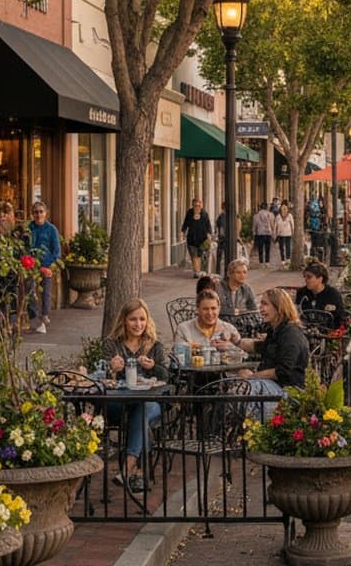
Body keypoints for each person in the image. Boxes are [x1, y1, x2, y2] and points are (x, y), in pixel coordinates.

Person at [102, 299, 169, 495]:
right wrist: (111, 369)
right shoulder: (111, 345)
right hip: (119, 404)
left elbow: (166, 377)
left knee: (143, 408)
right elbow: (102, 379)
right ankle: (138, 472)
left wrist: (153, 367)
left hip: (149, 403)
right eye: (133, 319)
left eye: (142, 319)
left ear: (148, 321)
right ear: (124, 321)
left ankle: (128, 468)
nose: (138, 324)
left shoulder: (154, 346)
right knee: (141, 414)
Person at [237, 288, 310, 397]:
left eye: (265, 304)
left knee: (246, 388)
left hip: (288, 392)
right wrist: (234, 342)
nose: (260, 309)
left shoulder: (290, 334)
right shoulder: (275, 330)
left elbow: (283, 371)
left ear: (279, 308)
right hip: (272, 387)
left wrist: (252, 376)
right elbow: (261, 347)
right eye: (261, 304)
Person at [27, 201, 61, 333]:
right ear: (32, 214)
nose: (38, 214)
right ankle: (33, 318)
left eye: (41, 212)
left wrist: (47, 266)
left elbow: (56, 251)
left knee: (45, 292)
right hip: (30, 265)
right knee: (30, 291)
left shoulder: (51, 229)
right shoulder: (29, 228)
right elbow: (24, 247)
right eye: (36, 212)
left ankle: (44, 316)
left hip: (46, 265)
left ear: (46, 213)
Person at [175, 289, 242, 350]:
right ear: (198, 309)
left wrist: (231, 347)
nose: (210, 313)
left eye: (213, 308)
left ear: (219, 309)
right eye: (205, 309)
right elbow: (178, 355)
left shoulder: (229, 329)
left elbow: (243, 355)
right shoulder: (183, 330)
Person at [295, 260, 348, 330]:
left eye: (309, 277)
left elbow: (340, 318)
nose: (306, 280)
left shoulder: (333, 295)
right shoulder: (302, 293)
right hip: (305, 331)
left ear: (320, 279)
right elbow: (297, 313)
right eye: (304, 277)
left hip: (328, 333)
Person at [180, 198, 213, 278]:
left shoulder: (204, 214)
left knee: (199, 255)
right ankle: (197, 272)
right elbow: (185, 224)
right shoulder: (189, 213)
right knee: (194, 255)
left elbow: (208, 225)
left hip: (202, 239)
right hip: (192, 238)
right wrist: (182, 232)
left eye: (199, 205)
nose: (197, 207)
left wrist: (209, 235)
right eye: (196, 205)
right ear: (193, 205)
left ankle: (196, 271)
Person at [252, 202, 275, 266]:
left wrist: (254, 234)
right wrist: (273, 233)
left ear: (260, 207)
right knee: (267, 248)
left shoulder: (256, 216)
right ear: (267, 207)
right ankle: (267, 262)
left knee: (260, 248)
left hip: (260, 233)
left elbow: (254, 226)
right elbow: (272, 224)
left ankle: (261, 262)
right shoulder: (271, 215)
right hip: (268, 233)